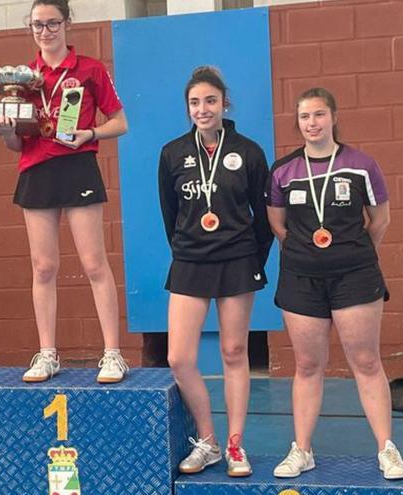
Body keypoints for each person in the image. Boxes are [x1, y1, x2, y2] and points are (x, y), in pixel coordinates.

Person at [266, 87, 403, 479]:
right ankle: (303, 450)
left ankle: (386, 449)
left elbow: (379, 221)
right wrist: (309, 255)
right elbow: (278, 225)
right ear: (298, 123)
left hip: (356, 276)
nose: (311, 123)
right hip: (301, 278)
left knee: (365, 361)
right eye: (304, 117)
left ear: (333, 117)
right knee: (308, 364)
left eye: (318, 115)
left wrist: (353, 253)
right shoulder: (283, 170)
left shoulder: (361, 164)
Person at [0, 0, 130, 384]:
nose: (45, 31)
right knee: (44, 266)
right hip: (36, 169)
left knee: (94, 263)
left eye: (52, 23)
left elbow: (120, 122)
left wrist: (91, 133)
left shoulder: (89, 70)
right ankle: (48, 354)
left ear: (67, 24)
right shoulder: (22, 78)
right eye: (37, 25)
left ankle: (112, 354)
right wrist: (6, 132)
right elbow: (16, 145)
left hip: (77, 165)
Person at [158, 66, 273, 477]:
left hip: (238, 260)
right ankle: (207, 441)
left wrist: (252, 260)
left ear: (225, 102)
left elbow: (264, 218)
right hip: (190, 261)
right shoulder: (172, 153)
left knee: (233, 352)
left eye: (210, 100)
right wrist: (189, 248)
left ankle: (235, 444)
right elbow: (170, 215)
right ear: (187, 108)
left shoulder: (250, 151)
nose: (202, 109)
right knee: (179, 357)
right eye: (194, 103)